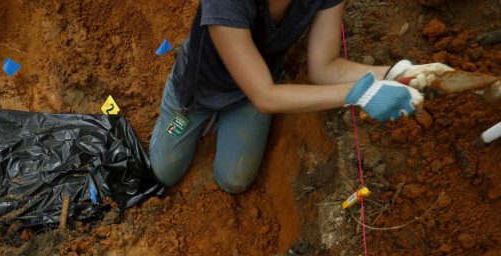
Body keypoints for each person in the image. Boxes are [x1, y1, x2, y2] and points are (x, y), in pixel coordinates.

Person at [148, 0, 451, 193]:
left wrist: (394, 73)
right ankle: (183, 111)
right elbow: (265, 97)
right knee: (164, 173)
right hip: (199, 89)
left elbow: (325, 67)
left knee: (233, 181)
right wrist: (363, 92)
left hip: (256, 86)